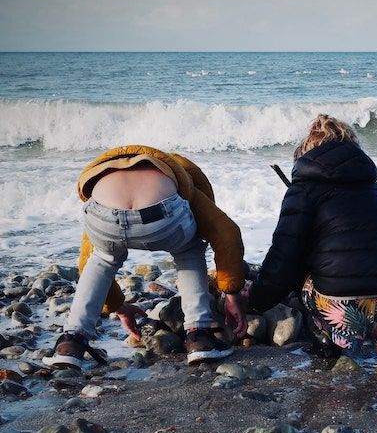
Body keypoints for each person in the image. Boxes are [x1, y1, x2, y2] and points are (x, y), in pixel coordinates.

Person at [43, 145, 247, 369]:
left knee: (101, 259)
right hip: (161, 214)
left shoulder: (108, 175)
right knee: (188, 249)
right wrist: (232, 294)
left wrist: (118, 306)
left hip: (100, 211)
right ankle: (199, 337)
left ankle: (71, 343)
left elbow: (85, 262)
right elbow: (227, 232)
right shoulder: (181, 179)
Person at [248, 115, 377, 359]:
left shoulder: (302, 190)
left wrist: (255, 302)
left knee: (305, 259)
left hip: (343, 308)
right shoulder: (376, 189)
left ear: (306, 154)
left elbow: (285, 254)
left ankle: (330, 342)